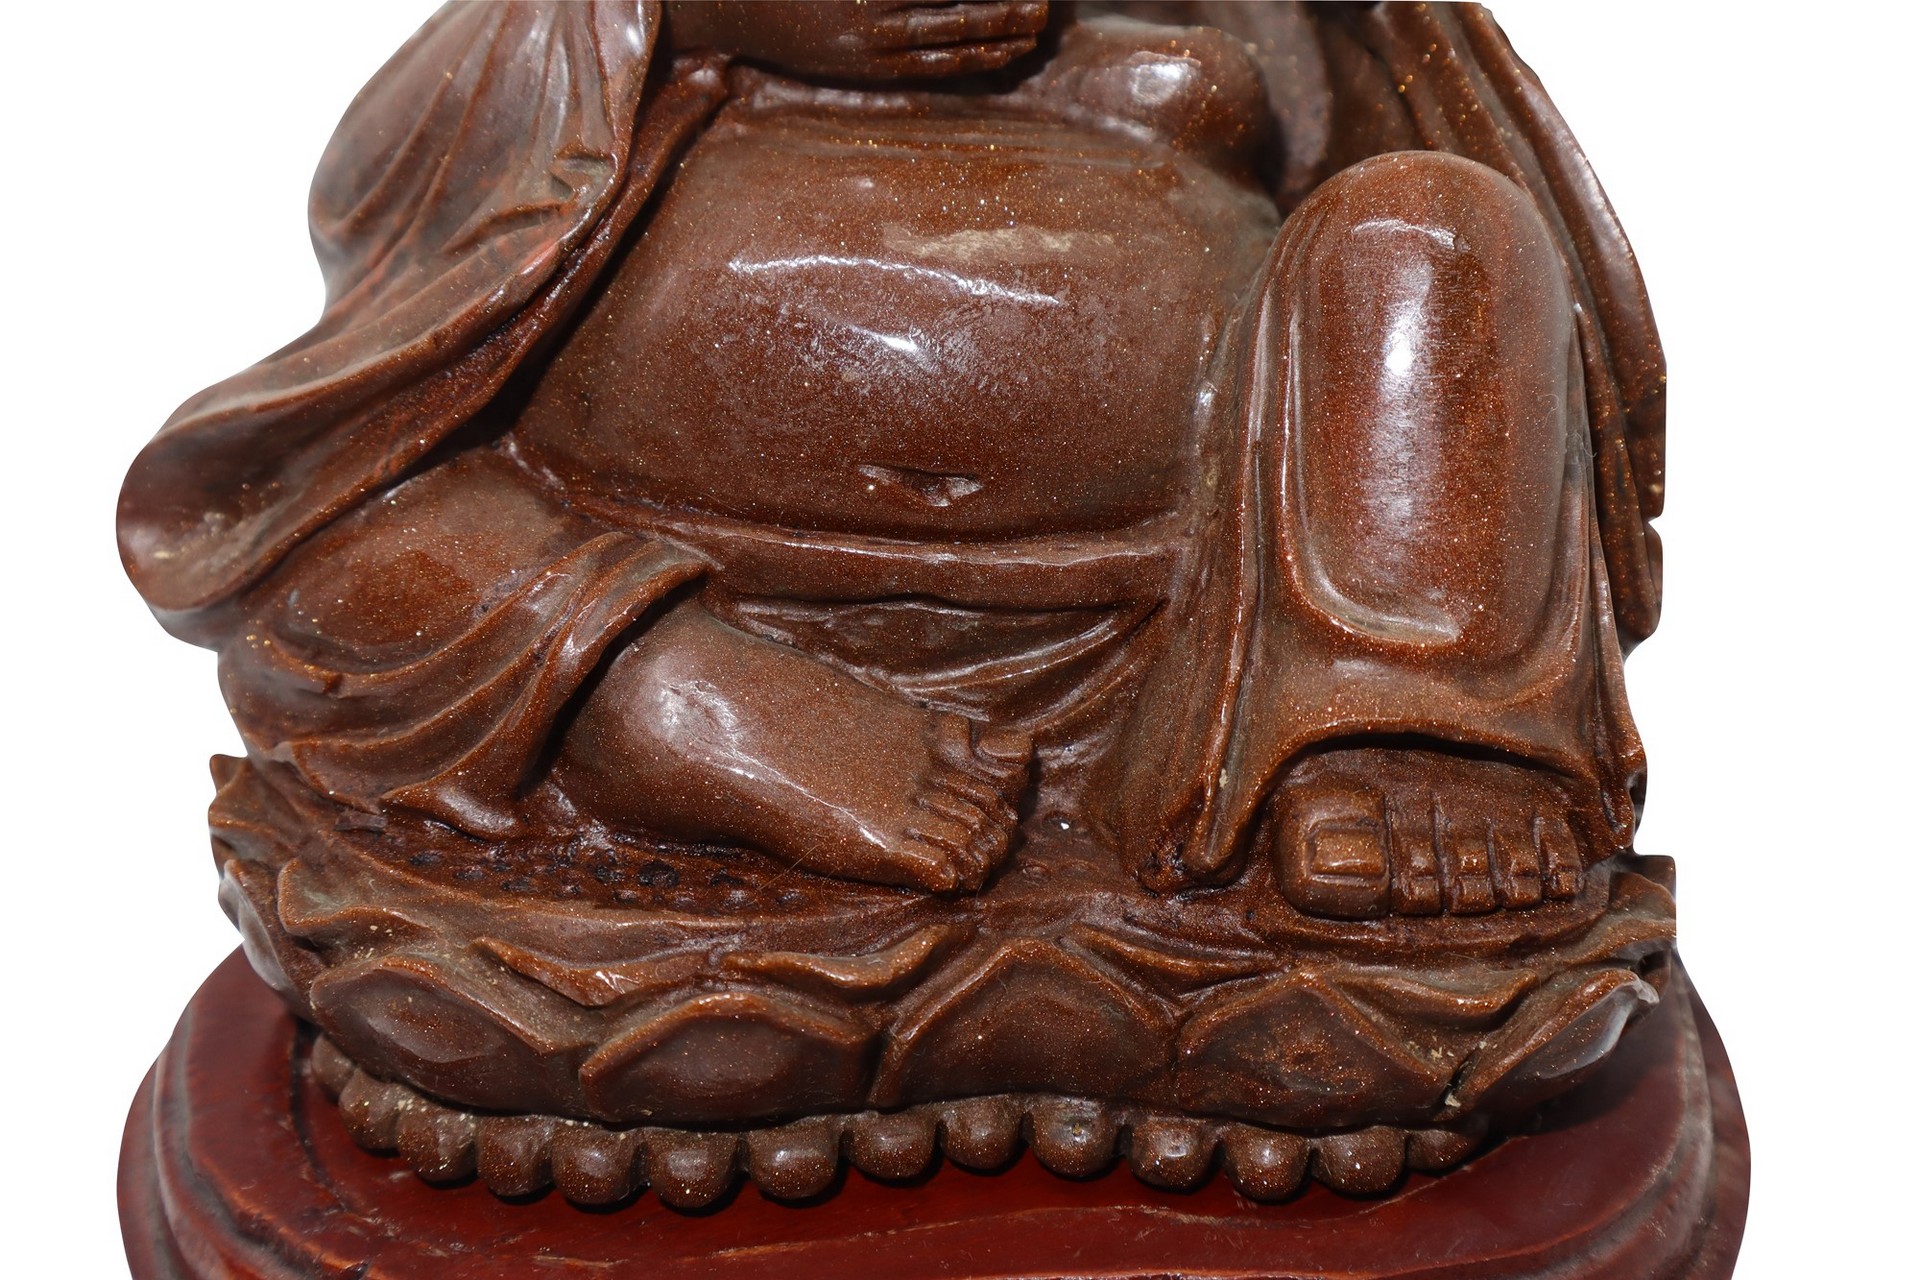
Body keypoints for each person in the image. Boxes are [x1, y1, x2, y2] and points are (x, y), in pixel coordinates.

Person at [119, 1, 1666, 926]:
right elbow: (367, 224)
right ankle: (650, 696)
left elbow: (1391, 100)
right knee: (321, 543)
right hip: (694, 576)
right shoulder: (628, 53)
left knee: (1445, 227)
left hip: (1198, 656)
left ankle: (1396, 723)